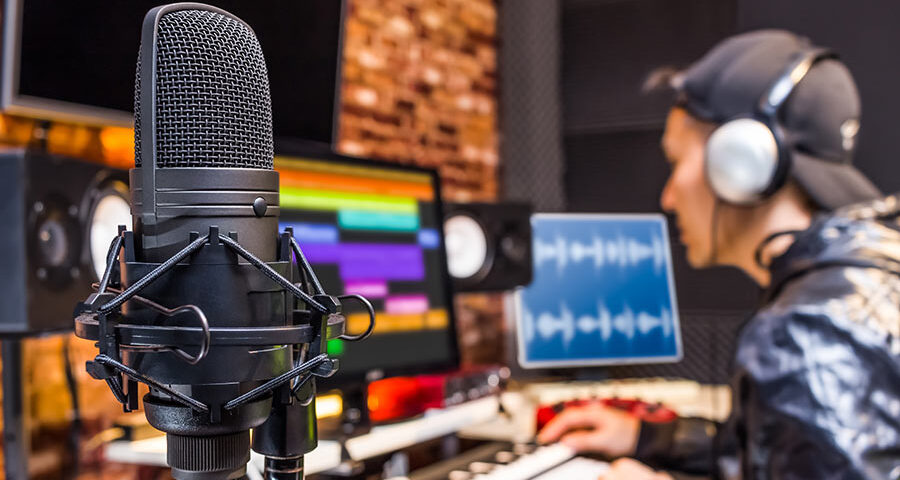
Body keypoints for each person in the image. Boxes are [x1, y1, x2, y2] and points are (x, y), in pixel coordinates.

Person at [538, 30, 900, 479]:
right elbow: (785, 456)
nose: (668, 198)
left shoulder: (811, 330)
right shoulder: (861, 275)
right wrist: (649, 438)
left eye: (676, 162)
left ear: (739, 164)